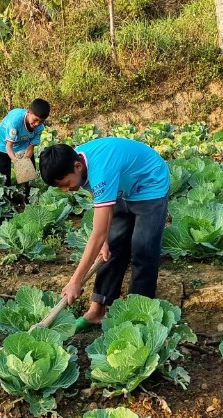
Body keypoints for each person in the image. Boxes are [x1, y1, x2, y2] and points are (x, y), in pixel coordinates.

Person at [40, 137, 170, 326]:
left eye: (66, 183)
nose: (66, 189)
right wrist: (105, 241)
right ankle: (97, 310)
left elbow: (98, 232)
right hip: (121, 187)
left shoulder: (101, 170)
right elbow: (99, 201)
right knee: (110, 248)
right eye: (61, 187)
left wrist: (75, 281)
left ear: (77, 166)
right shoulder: (75, 160)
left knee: (143, 250)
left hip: (150, 184)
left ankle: (139, 316)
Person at [0, 99, 50, 186]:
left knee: (28, 175)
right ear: (28, 112)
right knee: (3, 177)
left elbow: (31, 147)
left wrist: (25, 161)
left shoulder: (40, 127)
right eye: (35, 120)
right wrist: (16, 161)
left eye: (41, 121)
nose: (37, 123)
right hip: (3, 142)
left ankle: (26, 197)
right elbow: (9, 146)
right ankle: (5, 197)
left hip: (22, 142)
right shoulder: (15, 122)